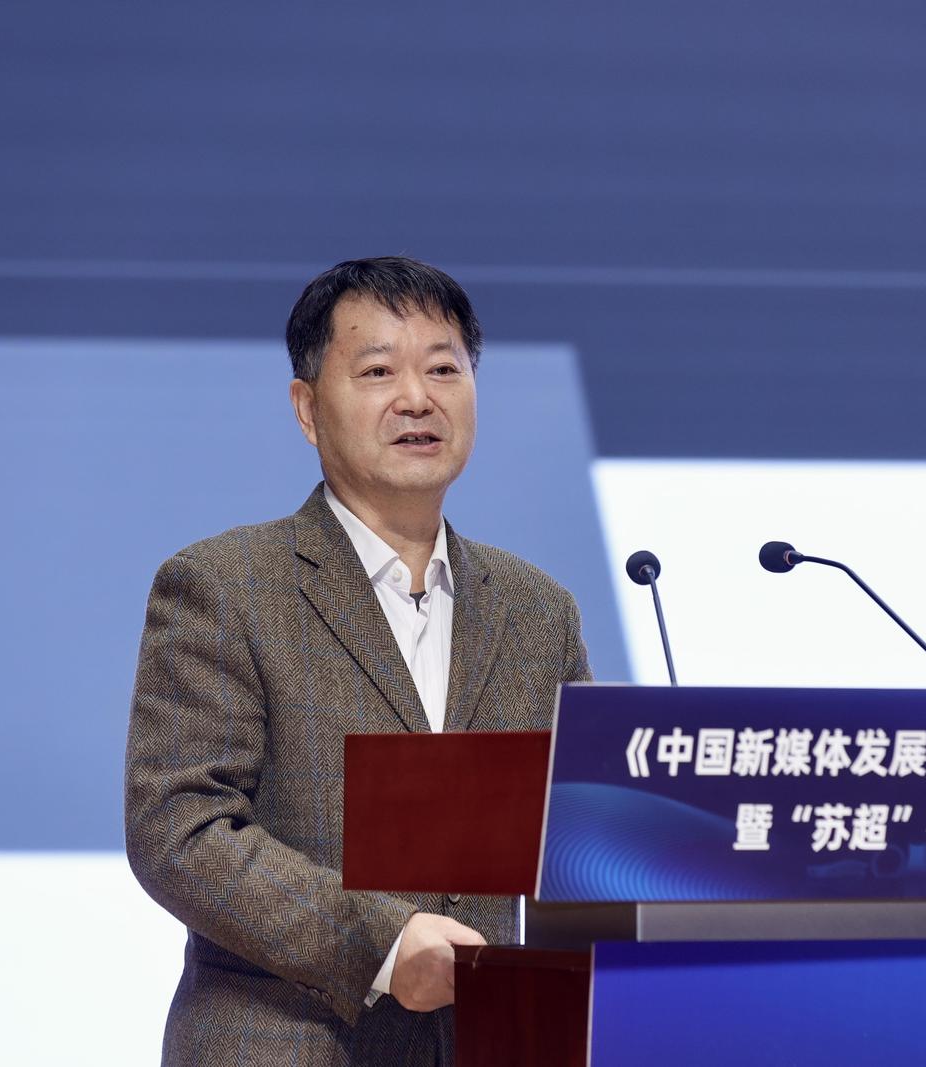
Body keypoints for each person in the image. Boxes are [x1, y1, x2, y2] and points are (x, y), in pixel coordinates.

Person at [124, 256, 591, 1066]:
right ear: (308, 408)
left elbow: (581, 837)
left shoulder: (537, 609)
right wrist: (383, 943)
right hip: (289, 1044)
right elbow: (180, 829)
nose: (417, 397)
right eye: (378, 371)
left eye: (443, 368)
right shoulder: (224, 585)